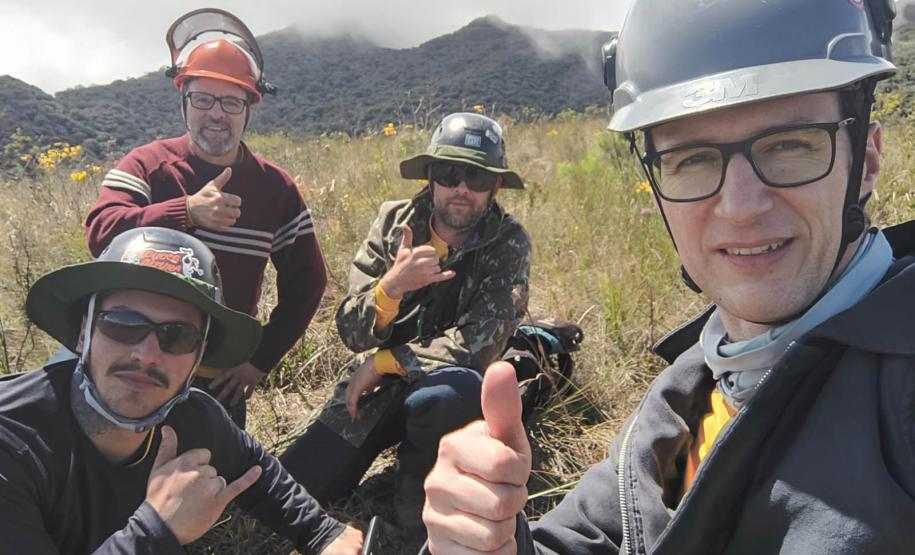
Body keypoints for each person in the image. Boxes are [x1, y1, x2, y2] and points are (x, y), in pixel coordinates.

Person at [422, 0, 915, 554]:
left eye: (790, 145)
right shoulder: (681, 396)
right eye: (692, 159)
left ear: (866, 160)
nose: (741, 207)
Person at [0, 227, 362, 554]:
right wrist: (157, 529)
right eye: (123, 324)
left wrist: (321, 533)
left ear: (198, 357)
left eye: (177, 336)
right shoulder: (11, 443)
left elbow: (254, 468)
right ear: (84, 334)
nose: (146, 354)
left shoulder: (192, 417)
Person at [281, 113, 532, 533]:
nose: (461, 188)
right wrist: (391, 288)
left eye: (477, 177)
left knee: (447, 394)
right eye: (449, 174)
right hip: (380, 390)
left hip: (445, 391)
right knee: (299, 486)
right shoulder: (394, 223)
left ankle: (417, 505)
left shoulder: (508, 242)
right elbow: (351, 330)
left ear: (495, 187)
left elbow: (478, 345)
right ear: (430, 177)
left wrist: (382, 363)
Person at [84, 10, 326, 427]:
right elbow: (101, 232)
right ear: (184, 101)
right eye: (202, 99)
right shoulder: (148, 165)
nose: (216, 113)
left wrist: (260, 359)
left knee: (212, 466)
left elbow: (309, 281)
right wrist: (186, 213)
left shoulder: (275, 188)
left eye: (231, 101)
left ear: (249, 109)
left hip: (215, 377)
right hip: (132, 362)